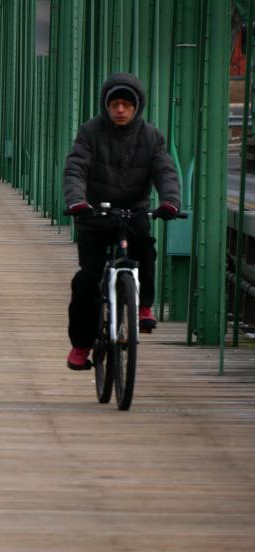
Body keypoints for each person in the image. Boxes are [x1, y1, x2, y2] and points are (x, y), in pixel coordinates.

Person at [63, 72, 181, 371]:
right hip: (95, 215)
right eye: (114, 103)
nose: (120, 109)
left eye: (127, 104)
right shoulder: (90, 132)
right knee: (87, 280)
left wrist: (170, 201)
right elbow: (76, 167)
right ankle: (81, 345)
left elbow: (164, 171)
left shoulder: (151, 136)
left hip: (133, 213)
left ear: (136, 107)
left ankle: (143, 306)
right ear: (106, 105)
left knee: (146, 252)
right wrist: (77, 201)